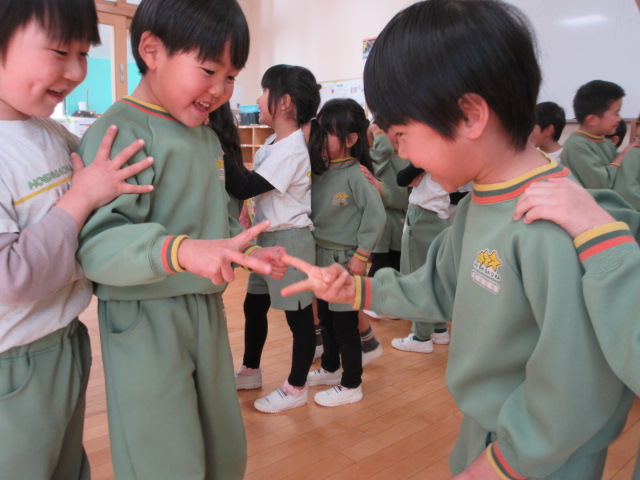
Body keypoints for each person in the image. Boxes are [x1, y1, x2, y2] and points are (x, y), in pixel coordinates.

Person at [280, 1, 633, 478]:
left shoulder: (553, 222)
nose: (401, 151)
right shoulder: (475, 204)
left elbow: (578, 385)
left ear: (469, 116)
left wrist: (505, 462)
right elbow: (438, 286)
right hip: (489, 433)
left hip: (543, 457)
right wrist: (358, 289)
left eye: (402, 134)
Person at [75, 1, 287, 478]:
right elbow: (96, 246)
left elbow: (217, 222)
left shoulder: (205, 135)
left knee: (221, 444)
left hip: (205, 310)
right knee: (164, 455)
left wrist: (249, 250)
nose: (219, 90)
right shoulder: (120, 132)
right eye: (209, 70)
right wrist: (182, 251)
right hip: (144, 316)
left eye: (230, 77)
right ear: (151, 50)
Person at [0, 0, 154, 478]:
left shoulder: (51, 132)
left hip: (65, 337)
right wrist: (82, 196)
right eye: (59, 51)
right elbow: (12, 275)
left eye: (83, 53)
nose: (75, 72)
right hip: (13, 361)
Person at [229, 64, 320, 414]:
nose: (257, 99)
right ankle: (251, 370)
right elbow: (255, 188)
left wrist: (219, 141)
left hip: (289, 240)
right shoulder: (271, 143)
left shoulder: (292, 148)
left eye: (264, 91)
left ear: (284, 102)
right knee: (254, 306)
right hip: (266, 240)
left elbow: (246, 184)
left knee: (299, 318)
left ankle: (296, 387)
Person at [305, 98, 385, 407]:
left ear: (350, 140)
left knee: (346, 326)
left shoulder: (356, 174)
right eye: (320, 130)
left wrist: (361, 255)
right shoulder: (322, 170)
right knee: (325, 320)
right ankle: (330, 367)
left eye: (328, 132)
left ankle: (352, 383)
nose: (321, 138)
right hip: (321, 256)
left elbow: (375, 215)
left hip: (345, 261)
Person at [357, 122, 410, 365]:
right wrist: (377, 129)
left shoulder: (404, 157)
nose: (395, 139)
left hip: (399, 217)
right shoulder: (379, 156)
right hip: (384, 217)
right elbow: (385, 148)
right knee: (380, 261)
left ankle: (386, 302)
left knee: (395, 262)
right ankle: (369, 302)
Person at [389, 164, 450, 354]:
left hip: (423, 215)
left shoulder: (429, 152)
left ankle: (421, 336)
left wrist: (417, 169)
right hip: (441, 215)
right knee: (435, 277)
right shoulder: (452, 150)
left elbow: (402, 178)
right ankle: (439, 328)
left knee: (418, 277)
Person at [562, 80, 628, 187]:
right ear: (592, 120)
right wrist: (622, 155)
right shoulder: (576, 145)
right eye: (616, 113)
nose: (619, 119)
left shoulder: (606, 143)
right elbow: (603, 184)